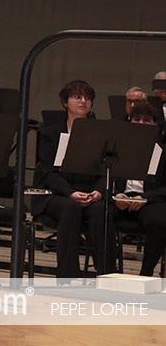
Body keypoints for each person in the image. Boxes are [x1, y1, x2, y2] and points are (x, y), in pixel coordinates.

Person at [31, 80, 116, 279]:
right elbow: (48, 172)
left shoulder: (101, 134)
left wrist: (99, 191)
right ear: (65, 102)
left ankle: (108, 276)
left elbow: (107, 170)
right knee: (71, 207)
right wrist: (70, 193)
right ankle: (67, 277)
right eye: (77, 97)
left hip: (89, 193)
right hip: (56, 194)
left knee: (101, 210)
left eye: (87, 98)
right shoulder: (50, 133)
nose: (83, 101)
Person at [113, 103, 166, 276]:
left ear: (155, 125)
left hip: (149, 201)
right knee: (98, 214)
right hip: (120, 199)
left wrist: (145, 197)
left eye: (146, 120)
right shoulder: (116, 147)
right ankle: (106, 270)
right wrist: (115, 194)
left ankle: (145, 274)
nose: (141, 123)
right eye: (137, 119)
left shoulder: (163, 151)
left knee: (159, 221)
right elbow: (104, 177)